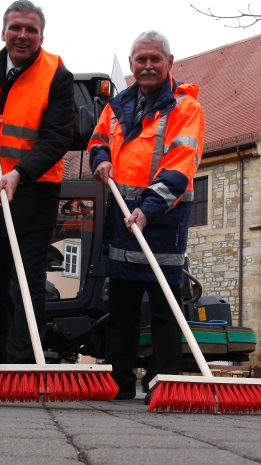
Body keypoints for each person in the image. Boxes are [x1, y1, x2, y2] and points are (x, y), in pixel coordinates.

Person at [0, 0, 74, 389]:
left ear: (42, 35)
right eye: (15, 28)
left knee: (27, 282)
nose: (22, 35)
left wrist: (20, 172)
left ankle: (20, 368)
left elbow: (59, 137)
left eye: (31, 30)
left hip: (35, 190)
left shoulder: (57, 74)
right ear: (3, 31)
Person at [88, 31, 205, 401]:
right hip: (122, 220)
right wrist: (100, 158)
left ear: (170, 63)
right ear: (132, 63)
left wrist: (148, 209)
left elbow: (179, 167)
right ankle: (118, 382)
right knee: (120, 307)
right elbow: (97, 140)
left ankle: (163, 382)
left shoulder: (186, 110)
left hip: (163, 221)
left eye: (155, 59)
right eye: (141, 59)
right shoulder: (116, 105)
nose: (148, 65)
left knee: (164, 308)